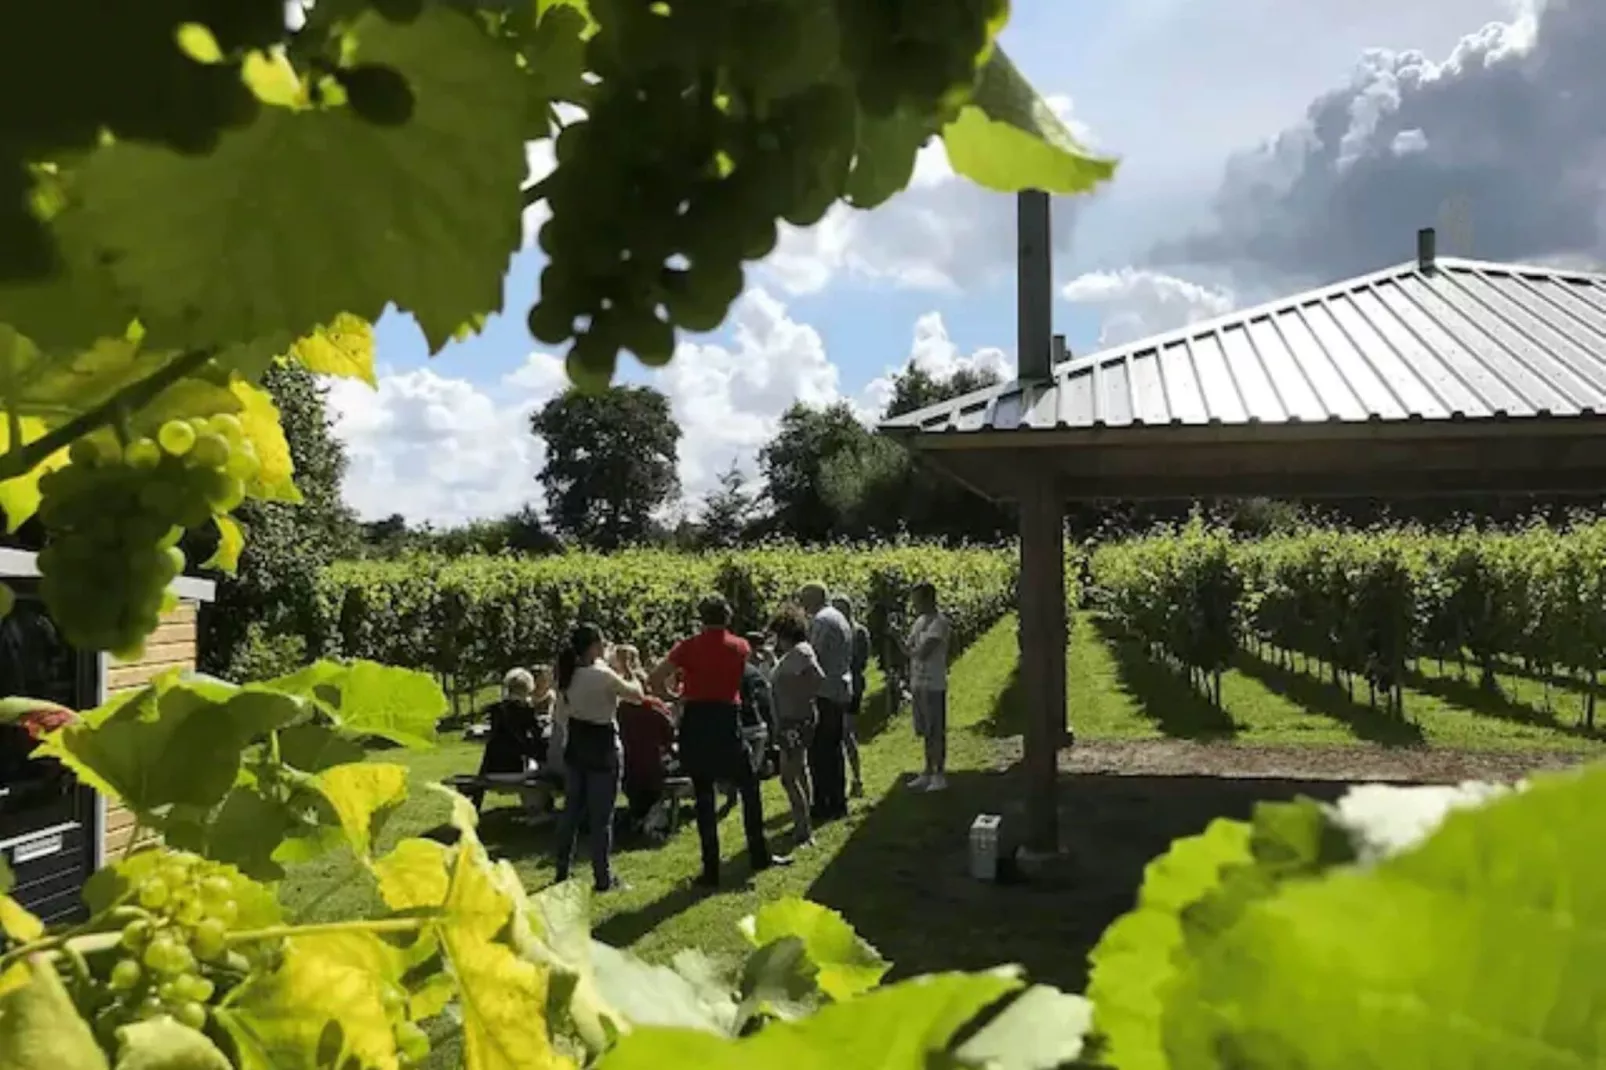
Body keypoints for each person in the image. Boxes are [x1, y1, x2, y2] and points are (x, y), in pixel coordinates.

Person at [648, 595, 789, 888]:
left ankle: (710, 870)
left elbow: (655, 679)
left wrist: (676, 695)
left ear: (701, 619)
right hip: (726, 719)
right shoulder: (740, 646)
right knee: (749, 787)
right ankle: (758, 854)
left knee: (703, 796)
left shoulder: (687, 647)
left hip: (696, 722)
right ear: (727, 617)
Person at [552, 622, 642, 892]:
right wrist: (628, 669)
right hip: (603, 746)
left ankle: (562, 871)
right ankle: (603, 877)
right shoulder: (602, 676)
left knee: (571, 812)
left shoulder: (566, 676)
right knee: (601, 818)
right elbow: (637, 695)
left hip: (577, 746)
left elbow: (559, 717)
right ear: (593, 647)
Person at [768, 605, 823, 847]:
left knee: (788, 778)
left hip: (794, 722)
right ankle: (804, 822)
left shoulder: (801, 653)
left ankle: (804, 828)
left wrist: (800, 699)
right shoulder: (796, 653)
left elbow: (816, 678)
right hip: (791, 720)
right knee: (799, 772)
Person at [798, 583, 853, 822]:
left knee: (820, 752)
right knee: (834, 749)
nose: (801, 605)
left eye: (803, 599)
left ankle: (823, 804)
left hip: (824, 691)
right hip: (839, 687)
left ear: (813, 598)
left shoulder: (821, 621)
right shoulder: (838, 616)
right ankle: (838, 802)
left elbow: (812, 657)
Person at [466, 668, 547, 812]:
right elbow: (537, 736)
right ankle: (539, 806)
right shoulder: (527, 710)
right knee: (541, 767)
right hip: (516, 771)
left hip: (492, 770)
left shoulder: (496, 709)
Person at [898, 583, 952, 792]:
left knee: (935, 730)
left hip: (933, 683)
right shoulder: (920, 622)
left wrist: (911, 650)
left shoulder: (939, 624)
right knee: (925, 730)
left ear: (928, 599)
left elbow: (923, 652)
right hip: (918, 682)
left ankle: (940, 774)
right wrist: (898, 639)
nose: (914, 604)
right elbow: (908, 648)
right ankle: (928, 771)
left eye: (916, 599)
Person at [617, 688, 678, 837]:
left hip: (627, 772)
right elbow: (670, 737)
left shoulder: (617, 714)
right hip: (653, 772)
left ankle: (638, 816)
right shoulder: (655, 712)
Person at [831, 594, 870, 799]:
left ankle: (857, 778)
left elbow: (861, 662)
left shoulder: (859, 632)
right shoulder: (834, 631)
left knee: (847, 733)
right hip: (836, 686)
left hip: (852, 686)